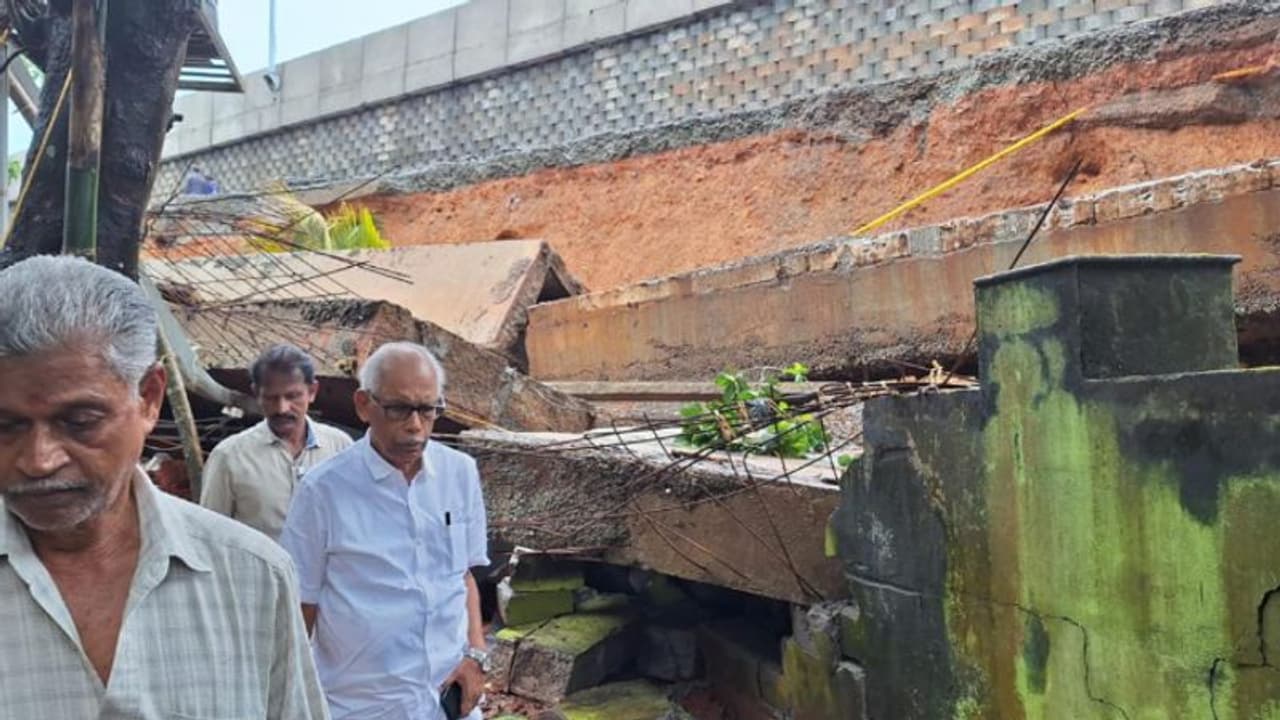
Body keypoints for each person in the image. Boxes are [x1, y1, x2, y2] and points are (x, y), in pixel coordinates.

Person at [0, 255, 327, 718]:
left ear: (150, 398)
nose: (38, 460)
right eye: (5, 426)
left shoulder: (252, 577)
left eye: (80, 422)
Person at [282, 342, 491, 720]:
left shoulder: (460, 474)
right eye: (398, 409)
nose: (415, 426)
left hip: (449, 703)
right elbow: (300, 608)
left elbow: (463, 576)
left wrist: (475, 655)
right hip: (363, 707)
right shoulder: (322, 491)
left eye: (428, 410)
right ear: (364, 405)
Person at [201, 344, 352, 541]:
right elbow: (210, 535)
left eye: (292, 396)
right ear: (256, 394)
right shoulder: (229, 457)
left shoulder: (340, 447)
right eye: (271, 398)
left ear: (312, 391)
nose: (282, 408)